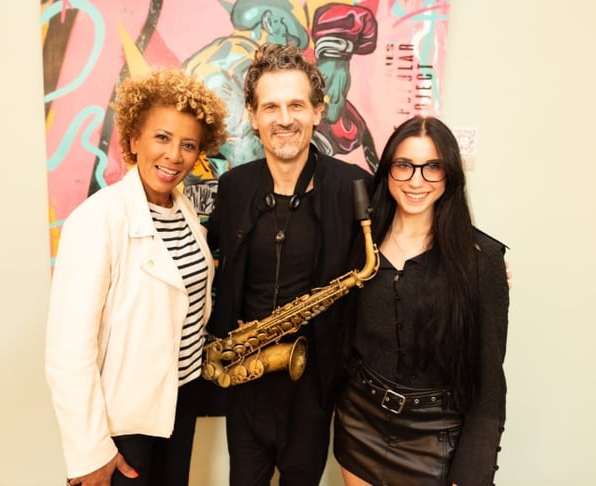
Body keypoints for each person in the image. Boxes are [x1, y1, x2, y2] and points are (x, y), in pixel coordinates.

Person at [45, 69, 227, 486]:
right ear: (132, 141)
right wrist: (90, 452)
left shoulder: (184, 212)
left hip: (179, 402)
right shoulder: (97, 219)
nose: (174, 156)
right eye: (162, 137)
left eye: (188, 145)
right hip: (123, 423)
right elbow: (68, 351)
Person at [205, 42, 372, 485]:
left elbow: (407, 235)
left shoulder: (354, 187)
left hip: (312, 386)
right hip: (245, 375)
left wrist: (477, 261)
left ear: (318, 111)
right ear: (253, 115)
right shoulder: (234, 187)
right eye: (271, 106)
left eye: (296, 105)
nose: (284, 119)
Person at [333, 116, 510, 486]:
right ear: (387, 171)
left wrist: (472, 474)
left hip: (437, 436)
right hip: (360, 420)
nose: (416, 181)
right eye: (404, 165)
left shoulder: (483, 259)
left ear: (450, 175)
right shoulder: (358, 244)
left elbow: (489, 381)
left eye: (432, 167)